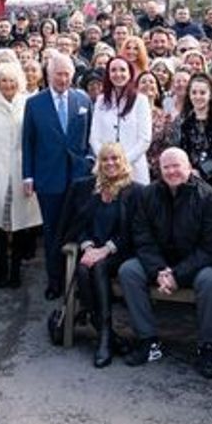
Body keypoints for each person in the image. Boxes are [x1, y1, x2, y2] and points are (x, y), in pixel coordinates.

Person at [119, 148, 212, 378]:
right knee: (129, 271)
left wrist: (177, 275)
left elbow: (211, 247)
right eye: (166, 167)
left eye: (177, 166)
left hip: (196, 265)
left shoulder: (208, 196)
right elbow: (142, 237)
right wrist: (159, 270)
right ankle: (148, 340)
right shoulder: (148, 195)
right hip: (160, 263)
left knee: (210, 280)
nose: (172, 171)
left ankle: (209, 346)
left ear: (188, 167)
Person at [61, 143, 142, 368]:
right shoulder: (88, 188)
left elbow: (133, 232)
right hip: (90, 252)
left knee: (96, 267)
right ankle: (106, 334)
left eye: (115, 158)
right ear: (99, 163)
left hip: (120, 253)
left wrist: (105, 250)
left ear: (123, 161)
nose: (110, 163)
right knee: (85, 268)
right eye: (105, 159)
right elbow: (79, 224)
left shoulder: (135, 191)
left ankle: (104, 336)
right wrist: (88, 247)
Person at [22, 53, 93, 299]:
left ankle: (77, 282)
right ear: (49, 75)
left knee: (78, 229)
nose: (63, 79)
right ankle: (54, 282)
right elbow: (28, 142)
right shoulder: (34, 103)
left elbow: (91, 136)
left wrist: (91, 160)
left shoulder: (83, 99)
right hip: (48, 177)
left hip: (79, 177)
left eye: (67, 74)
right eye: (58, 74)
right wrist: (27, 176)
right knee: (53, 232)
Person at [0, 62, 41, 288]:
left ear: (19, 81)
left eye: (12, 80)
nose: (8, 84)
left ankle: (16, 271)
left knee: (21, 223)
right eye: (3, 80)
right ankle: (1, 271)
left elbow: (33, 137)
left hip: (23, 167)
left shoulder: (29, 102)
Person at [165, 73, 212, 192]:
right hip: (184, 180)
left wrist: (202, 171)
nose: (197, 97)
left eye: (202, 93)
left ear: (210, 95)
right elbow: (174, 148)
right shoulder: (181, 122)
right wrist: (184, 170)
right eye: (194, 93)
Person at [89, 57, 152, 185]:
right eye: (113, 70)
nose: (118, 74)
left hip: (134, 169)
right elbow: (94, 137)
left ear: (130, 74)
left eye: (122, 70)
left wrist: (122, 162)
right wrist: (107, 161)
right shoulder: (101, 101)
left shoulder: (140, 100)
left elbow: (144, 139)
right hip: (106, 170)